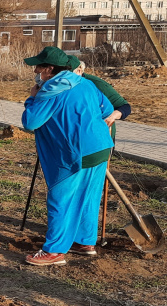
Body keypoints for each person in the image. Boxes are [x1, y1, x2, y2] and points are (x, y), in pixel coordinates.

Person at [21, 46, 114, 266]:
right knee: (89, 196)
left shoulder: (52, 90)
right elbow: (107, 109)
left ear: (49, 69)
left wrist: (32, 98)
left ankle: (54, 251)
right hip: (100, 147)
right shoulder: (86, 83)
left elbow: (30, 122)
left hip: (73, 153)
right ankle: (84, 242)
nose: (35, 71)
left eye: (38, 67)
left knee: (60, 199)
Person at [68, 57, 131, 140]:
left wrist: (111, 117)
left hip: (100, 136)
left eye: (67, 75)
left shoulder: (97, 84)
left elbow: (125, 107)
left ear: (79, 71)